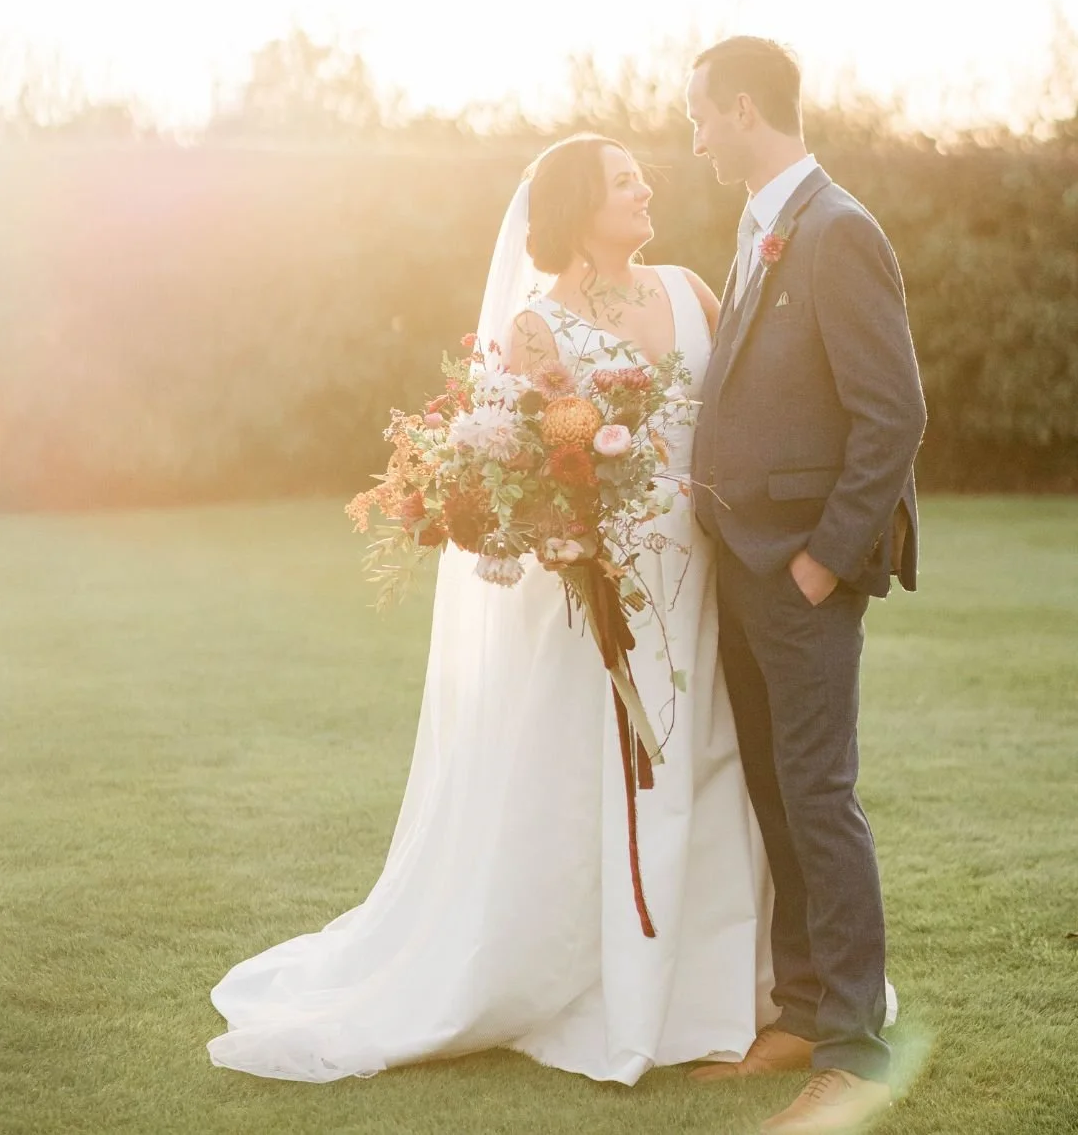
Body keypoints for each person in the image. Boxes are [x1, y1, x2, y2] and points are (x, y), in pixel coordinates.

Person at [207, 133, 777, 1085]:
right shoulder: (539, 329)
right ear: (576, 208)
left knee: (711, 757)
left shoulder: (691, 291)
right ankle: (606, 983)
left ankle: (714, 989)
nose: (646, 190)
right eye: (623, 181)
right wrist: (578, 530)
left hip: (707, 571)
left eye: (644, 178)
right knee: (603, 774)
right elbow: (561, 463)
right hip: (609, 581)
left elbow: (742, 410)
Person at [688, 37, 926, 1134]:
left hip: (805, 573)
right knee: (776, 795)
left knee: (821, 796)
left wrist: (826, 557)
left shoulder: (838, 230)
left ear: (742, 110)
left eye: (701, 114)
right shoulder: (756, 232)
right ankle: (799, 1011)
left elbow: (894, 413)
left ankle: (856, 1047)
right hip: (742, 567)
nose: (693, 135)